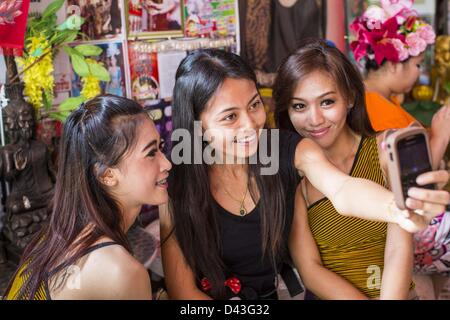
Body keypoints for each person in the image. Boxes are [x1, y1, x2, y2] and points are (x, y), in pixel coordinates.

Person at [160, 49, 449, 300]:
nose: (250, 125)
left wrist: (397, 211)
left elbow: (341, 189)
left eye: (254, 105)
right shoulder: (177, 183)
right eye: (230, 117)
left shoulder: (282, 149)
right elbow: (183, 291)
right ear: (198, 125)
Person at [274, 38, 426, 299]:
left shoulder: (385, 151)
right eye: (299, 106)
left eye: (327, 102)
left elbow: (398, 249)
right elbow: (310, 270)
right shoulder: (293, 174)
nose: (314, 119)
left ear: (351, 98)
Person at [4, 95, 172, 300]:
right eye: (151, 153)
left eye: (160, 147)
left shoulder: (57, 236)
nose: (167, 164)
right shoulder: (121, 272)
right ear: (107, 175)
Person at [349, 0, 450, 169]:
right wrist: (441, 136)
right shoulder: (379, 110)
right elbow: (412, 175)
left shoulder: (365, 95)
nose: (419, 73)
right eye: (417, 65)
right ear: (394, 66)